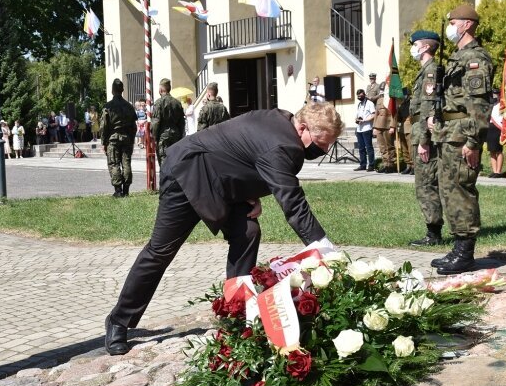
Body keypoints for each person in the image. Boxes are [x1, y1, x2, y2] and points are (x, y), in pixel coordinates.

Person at [104, 102, 344, 355]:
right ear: (303, 127)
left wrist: (249, 191)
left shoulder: (281, 120)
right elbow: (294, 205)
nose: (325, 149)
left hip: (219, 182)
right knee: (160, 251)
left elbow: (244, 154)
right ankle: (119, 320)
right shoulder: (284, 144)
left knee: (248, 232)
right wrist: (325, 251)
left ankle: (236, 311)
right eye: (322, 142)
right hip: (188, 175)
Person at [428, 5, 494, 274]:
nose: (450, 27)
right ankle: (459, 247)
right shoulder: (459, 57)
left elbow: (479, 106)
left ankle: (465, 254)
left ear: (466, 25)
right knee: (449, 191)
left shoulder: (476, 59)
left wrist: (473, 142)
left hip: (462, 137)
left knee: (462, 191)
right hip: (449, 134)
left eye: (453, 22)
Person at [408, 30, 444, 246]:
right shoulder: (425, 71)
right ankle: (434, 230)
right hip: (420, 132)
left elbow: (428, 108)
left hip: (425, 135)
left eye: (415, 43)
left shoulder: (431, 71)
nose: (412, 47)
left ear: (425, 47)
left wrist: (423, 141)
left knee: (426, 184)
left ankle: (434, 233)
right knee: (426, 183)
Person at [101, 79, 138, 197]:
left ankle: (118, 191)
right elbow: (134, 126)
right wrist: (131, 139)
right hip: (126, 138)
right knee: (126, 162)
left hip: (113, 138)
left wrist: (103, 142)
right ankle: (126, 190)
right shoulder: (129, 106)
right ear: (122, 90)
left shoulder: (108, 107)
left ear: (112, 90)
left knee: (113, 163)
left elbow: (104, 126)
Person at [151, 78, 185, 167]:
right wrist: (181, 135)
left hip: (163, 135)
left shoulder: (159, 102)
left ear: (161, 89)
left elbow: (156, 122)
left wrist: (154, 137)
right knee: (175, 161)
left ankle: (166, 180)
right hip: (176, 134)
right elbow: (182, 122)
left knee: (164, 162)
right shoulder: (177, 103)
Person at [372, 83, 396, 173]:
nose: (382, 91)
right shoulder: (379, 100)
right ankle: (385, 164)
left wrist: (392, 126)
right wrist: (374, 127)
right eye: (381, 89)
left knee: (389, 146)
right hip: (379, 125)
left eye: (384, 89)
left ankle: (391, 165)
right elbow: (376, 114)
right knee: (382, 147)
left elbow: (394, 114)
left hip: (388, 125)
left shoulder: (391, 100)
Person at [353, 89, 376, 172]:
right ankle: (362, 165)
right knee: (361, 148)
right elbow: (358, 114)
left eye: (360, 95)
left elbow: (374, 115)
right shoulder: (359, 104)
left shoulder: (370, 103)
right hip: (359, 129)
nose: (359, 97)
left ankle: (371, 165)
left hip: (367, 128)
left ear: (364, 94)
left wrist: (365, 120)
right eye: (358, 96)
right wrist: (357, 119)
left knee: (369, 147)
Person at [486, 88, 505, 178]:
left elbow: (504, 117)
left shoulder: (502, 105)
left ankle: (498, 171)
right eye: (494, 93)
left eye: (497, 94)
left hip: (498, 128)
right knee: (492, 151)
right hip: (490, 128)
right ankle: (494, 171)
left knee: (498, 150)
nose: (495, 95)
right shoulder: (490, 104)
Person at [397, 88, 414, 175]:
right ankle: (408, 165)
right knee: (404, 148)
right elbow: (399, 118)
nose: (403, 96)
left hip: (409, 125)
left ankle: (414, 166)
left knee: (411, 148)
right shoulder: (402, 104)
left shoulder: (412, 102)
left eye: (404, 94)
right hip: (402, 127)